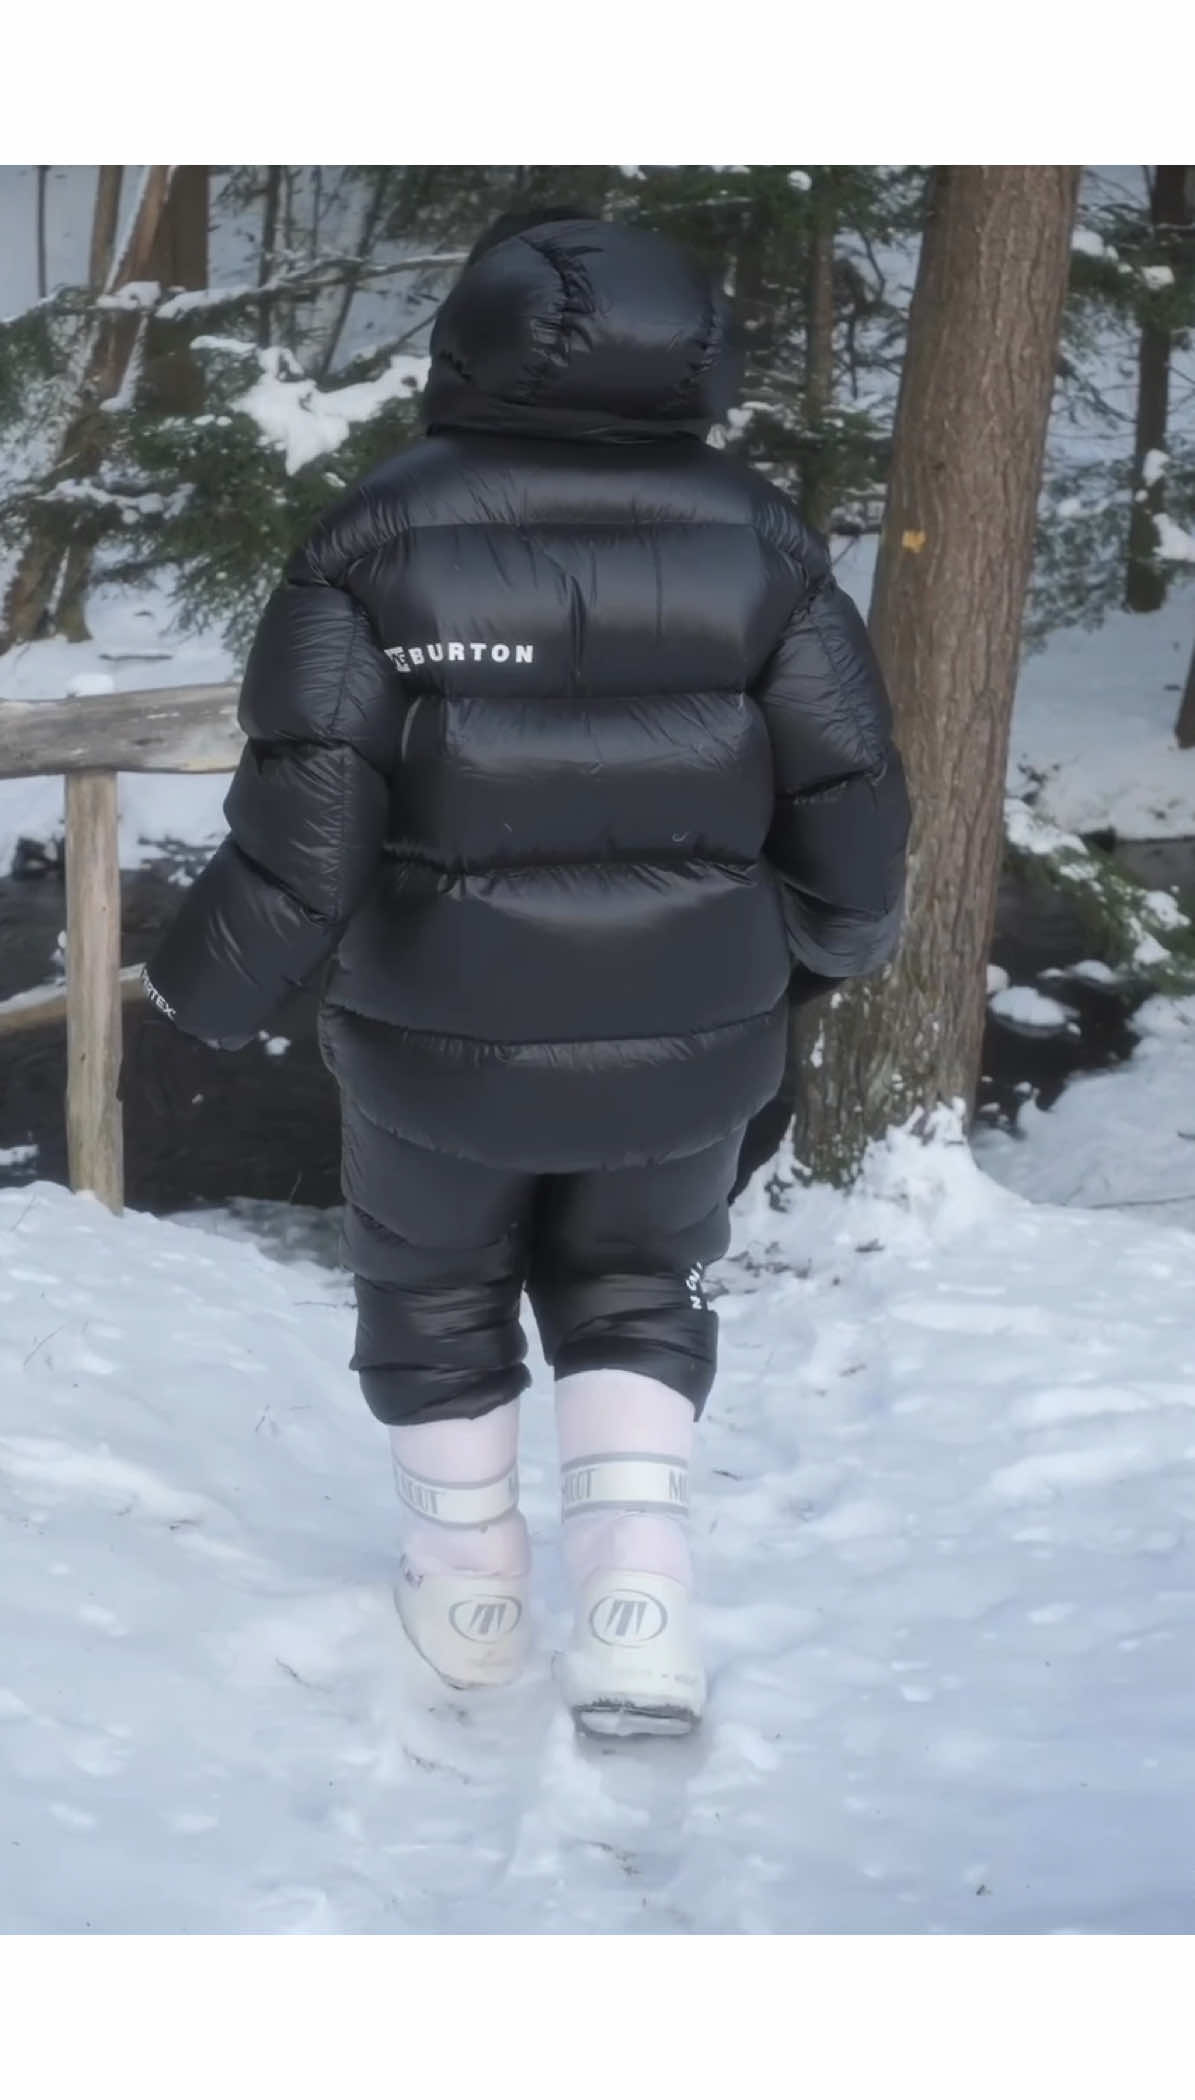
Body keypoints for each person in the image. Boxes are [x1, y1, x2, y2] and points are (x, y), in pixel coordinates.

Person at [144, 207, 910, 1736]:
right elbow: (850, 800)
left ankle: (474, 1594)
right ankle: (640, 1613)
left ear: (465, 351)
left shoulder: (373, 537)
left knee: (433, 1290)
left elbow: (304, 829)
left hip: (436, 1037)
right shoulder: (761, 538)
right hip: (692, 1031)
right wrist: (816, 958)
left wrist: (201, 994)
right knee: (639, 1287)